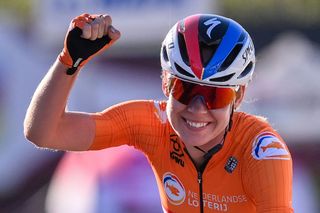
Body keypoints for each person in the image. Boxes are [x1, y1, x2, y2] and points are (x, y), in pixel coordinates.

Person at [24, 13, 293, 212]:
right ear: (165, 83)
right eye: (185, 89)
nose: (198, 109)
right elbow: (44, 133)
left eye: (215, 95)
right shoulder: (152, 124)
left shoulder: (262, 151)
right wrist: (69, 62)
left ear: (239, 96)